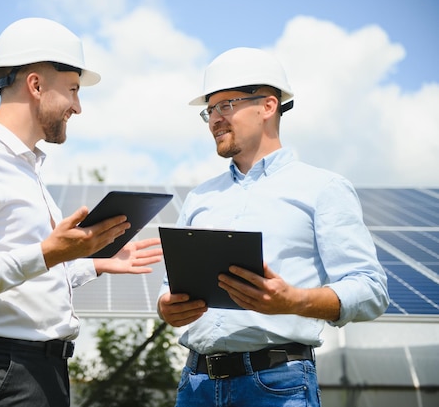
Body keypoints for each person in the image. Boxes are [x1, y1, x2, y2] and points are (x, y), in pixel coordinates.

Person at [0, 17, 163, 407]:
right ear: (35, 85)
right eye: (72, 90)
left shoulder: (27, 169)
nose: (78, 107)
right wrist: (50, 253)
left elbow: (28, 275)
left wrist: (92, 262)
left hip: (40, 373)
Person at [157, 47, 389, 407]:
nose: (214, 119)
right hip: (196, 386)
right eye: (210, 110)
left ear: (267, 106)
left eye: (226, 105)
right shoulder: (200, 197)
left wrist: (294, 300)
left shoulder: (323, 188)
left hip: (277, 385)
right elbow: (168, 287)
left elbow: (371, 291)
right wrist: (167, 306)